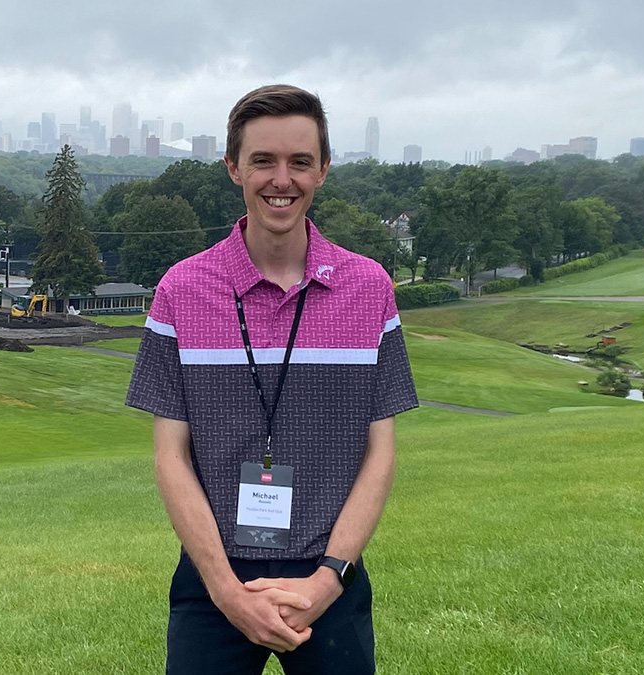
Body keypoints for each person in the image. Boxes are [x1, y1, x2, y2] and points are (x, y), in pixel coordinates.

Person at [126, 84, 418, 674]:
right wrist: (227, 591)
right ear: (234, 167)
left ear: (323, 170)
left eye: (299, 162)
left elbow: (379, 454)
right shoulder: (180, 290)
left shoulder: (370, 289)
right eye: (263, 160)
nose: (281, 179)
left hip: (328, 576)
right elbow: (169, 457)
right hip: (214, 578)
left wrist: (328, 580)